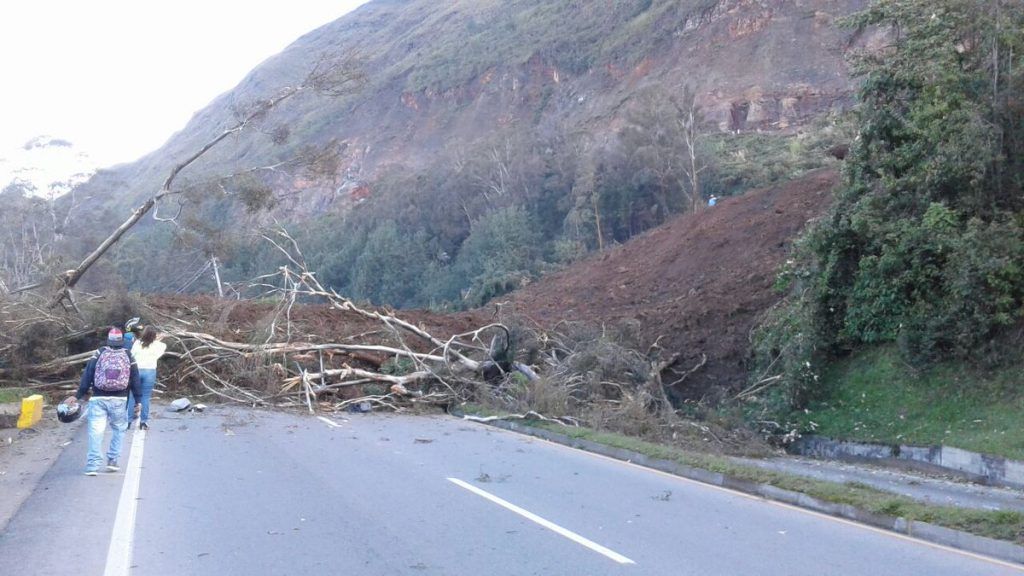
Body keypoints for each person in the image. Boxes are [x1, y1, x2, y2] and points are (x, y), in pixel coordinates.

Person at [72, 327, 141, 476]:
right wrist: (138, 400)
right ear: (122, 341)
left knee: (96, 431)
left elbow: (88, 375)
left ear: (108, 340)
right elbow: (135, 378)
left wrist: (78, 395)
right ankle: (113, 461)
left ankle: (92, 465)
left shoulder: (99, 353)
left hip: (98, 398)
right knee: (119, 429)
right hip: (120, 399)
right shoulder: (128, 355)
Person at [127, 326, 167, 431]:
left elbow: (131, 355)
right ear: (154, 336)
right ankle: (143, 422)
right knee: (145, 397)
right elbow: (163, 346)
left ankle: (128, 421)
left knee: (132, 396)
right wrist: (158, 339)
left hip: (137, 370)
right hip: (150, 371)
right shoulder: (158, 345)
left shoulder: (137, 343)